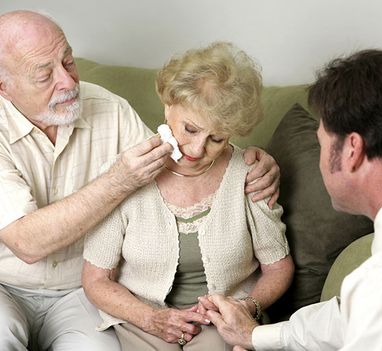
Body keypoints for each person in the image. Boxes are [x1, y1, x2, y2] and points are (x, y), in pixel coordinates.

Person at [0, 10, 281, 351]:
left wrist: (254, 159)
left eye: (68, 61)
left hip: (77, 294)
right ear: (4, 86)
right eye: (45, 75)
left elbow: (177, 158)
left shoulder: (109, 109)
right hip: (5, 285)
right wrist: (117, 180)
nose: (69, 81)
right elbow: (25, 242)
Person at [82, 41, 294, 350]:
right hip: (141, 318)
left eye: (216, 138)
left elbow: (278, 267)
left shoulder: (251, 174)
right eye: (190, 129)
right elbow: (96, 279)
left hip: (220, 320)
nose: (196, 150)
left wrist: (246, 307)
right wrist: (150, 318)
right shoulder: (126, 173)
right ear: (168, 106)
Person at [204, 49, 382, 350]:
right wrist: (254, 336)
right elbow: (345, 317)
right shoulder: (370, 288)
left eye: (321, 143)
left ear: (352, 150)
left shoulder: (380, 282)